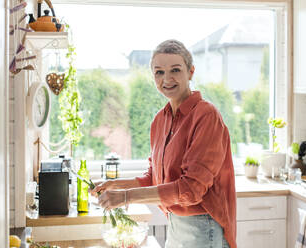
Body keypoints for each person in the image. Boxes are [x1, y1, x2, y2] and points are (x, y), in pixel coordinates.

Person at [92, 39, 236, 248]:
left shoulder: (206, 115)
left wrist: (125, 197)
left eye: (175, 70)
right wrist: (114, 184)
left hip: (203, 227)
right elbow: (155, 178)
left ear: (191, 72)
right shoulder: (160, 120)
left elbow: (191, 189)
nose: (167, 79)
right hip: (175, 223)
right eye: (159, 72)